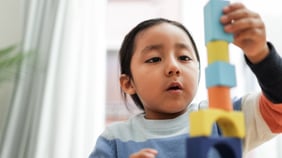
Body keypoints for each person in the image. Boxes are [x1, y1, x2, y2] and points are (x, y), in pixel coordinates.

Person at [89, 2, 282, 158]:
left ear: (198, 69)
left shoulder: (224, 117)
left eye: (184, 58)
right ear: (128, 83)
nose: (174, 67)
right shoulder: (115, 140)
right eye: (154, 59)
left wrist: (261, 55)